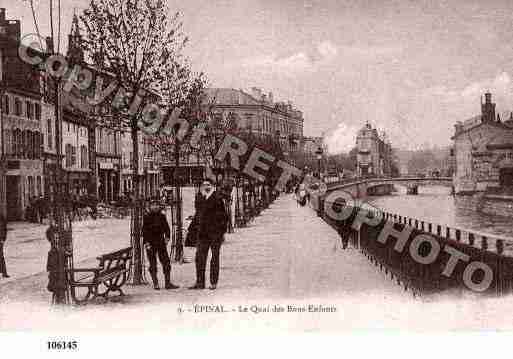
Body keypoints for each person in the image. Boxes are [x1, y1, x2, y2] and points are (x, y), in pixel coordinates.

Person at [189, 179, 229, 290]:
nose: (206, 186)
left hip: (215, 234)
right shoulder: (200, 197)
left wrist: (221, 232)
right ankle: (200, 282)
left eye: (208, 185)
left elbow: (224, 217)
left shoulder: (217, 198)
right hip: (203, 234)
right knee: (199, 258)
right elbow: (198, 213)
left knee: (214, 258)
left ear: (212, 186)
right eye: (204, 184)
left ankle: (213, 282)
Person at [142, 201, 179, 290]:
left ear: (159, 206)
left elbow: (167, 228)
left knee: (166, 262)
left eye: (157, 205)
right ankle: (156, 283)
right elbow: (144, 231)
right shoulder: (146, 217)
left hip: (160, 242)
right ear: (150, 206)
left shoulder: (162, 216)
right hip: (150, 243)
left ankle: (167, 283)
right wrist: (146, 243)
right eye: (153, 205)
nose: (155, 207)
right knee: (152, 263)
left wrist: (167, 237)